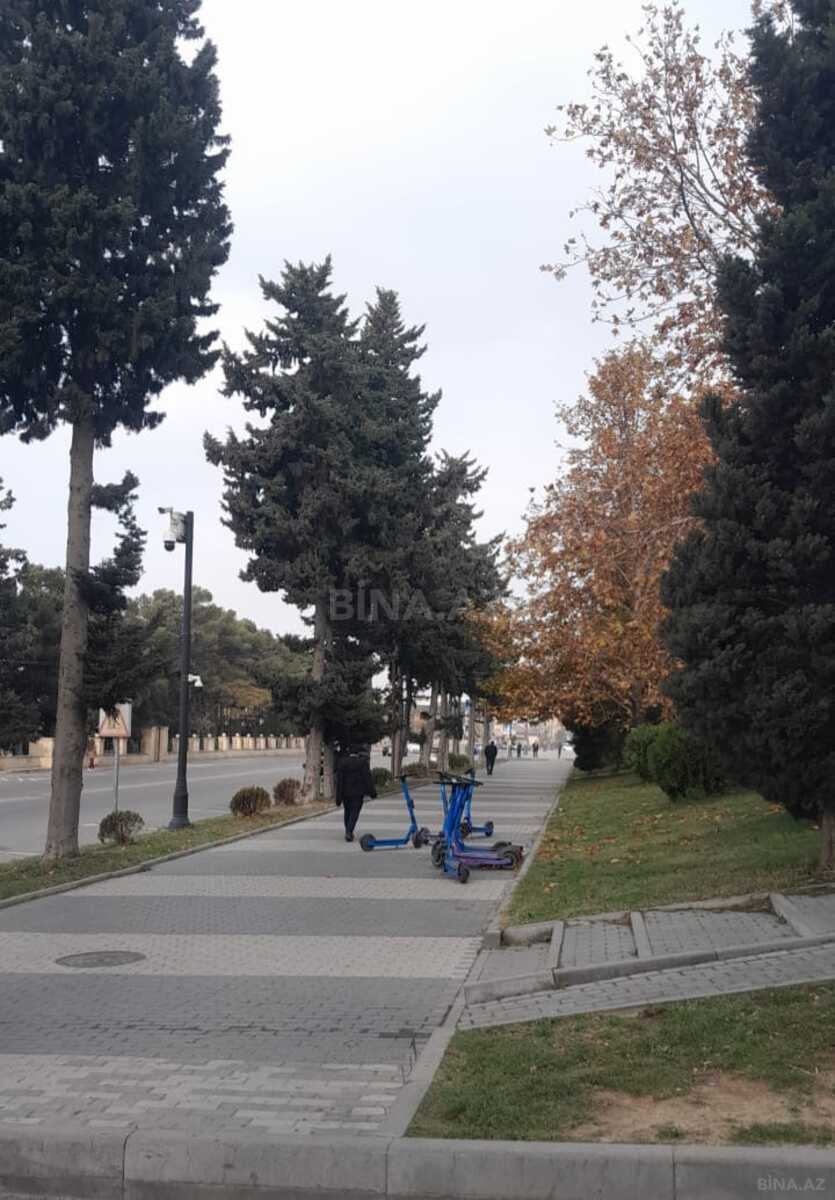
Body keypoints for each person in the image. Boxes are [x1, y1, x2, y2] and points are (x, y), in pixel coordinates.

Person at [335, 744, 377, 842]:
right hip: (358, 792)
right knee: (355, 812)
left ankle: (348, 830)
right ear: (358, 753)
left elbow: (339, 781)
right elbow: (367, 778)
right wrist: (372, 792)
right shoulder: (362, 763)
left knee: (347, 811)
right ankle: (349, 831)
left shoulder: (342, 762)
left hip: (345, 792)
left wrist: (338, 797)